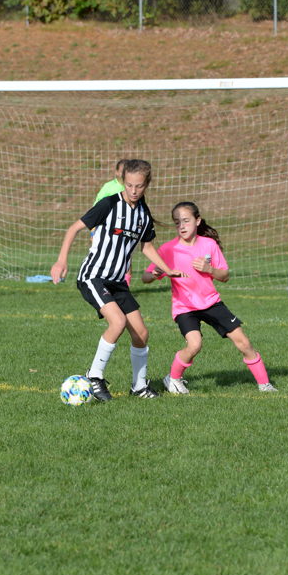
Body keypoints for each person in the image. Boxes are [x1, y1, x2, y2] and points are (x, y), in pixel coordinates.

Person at [50, 159, 182, 402]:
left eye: (139, 186)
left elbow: (147, 247)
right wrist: (61, 261)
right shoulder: (109, 204)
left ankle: (139, 386)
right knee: (118, 322)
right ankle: (94, 376)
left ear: (147, 184)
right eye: (129, 185)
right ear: (123, 182)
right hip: (93, 276)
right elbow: (73, 228)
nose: (133, 190)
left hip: (117, 281)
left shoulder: (143, 214)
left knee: (141, 333)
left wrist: (168, 270)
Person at [142, 201, 277, 394]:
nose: (182, 226)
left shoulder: (209, 245)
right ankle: (173, 379)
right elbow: (145, 278)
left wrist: (209, 269)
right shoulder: (168, 249)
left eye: (186, 221)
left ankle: (265, 385)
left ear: (197, 221)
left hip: (211, 303)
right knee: (195, 344)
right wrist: (156, 273)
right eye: (177, 222)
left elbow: (225, 276)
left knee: (244, 342)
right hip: (185, 307)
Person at [93, 159, 132, 286]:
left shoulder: (131, 188)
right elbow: (97, 207)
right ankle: (103, 279)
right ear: (116, 172)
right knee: (106, 252)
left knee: (126, 253)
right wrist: (94, 228)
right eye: (121, 171)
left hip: (125, 227)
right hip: (108, 228)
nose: (123, 174)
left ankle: (126, 282)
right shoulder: (108, 187)